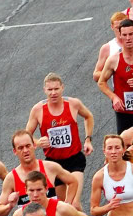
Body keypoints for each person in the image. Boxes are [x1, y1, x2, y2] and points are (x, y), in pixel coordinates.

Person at [26, 75, 94, 204]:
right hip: (54, 164)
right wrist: (37, 142)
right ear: (44, 90)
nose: (53, 93)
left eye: (56, 89)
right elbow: (26, 135)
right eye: (50, 89)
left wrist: (88, 139)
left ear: (62, 88)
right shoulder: (38, 110)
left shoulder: (73, 104)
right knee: (62, 205)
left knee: (72, 202)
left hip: (75, 160)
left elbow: (88, 116)